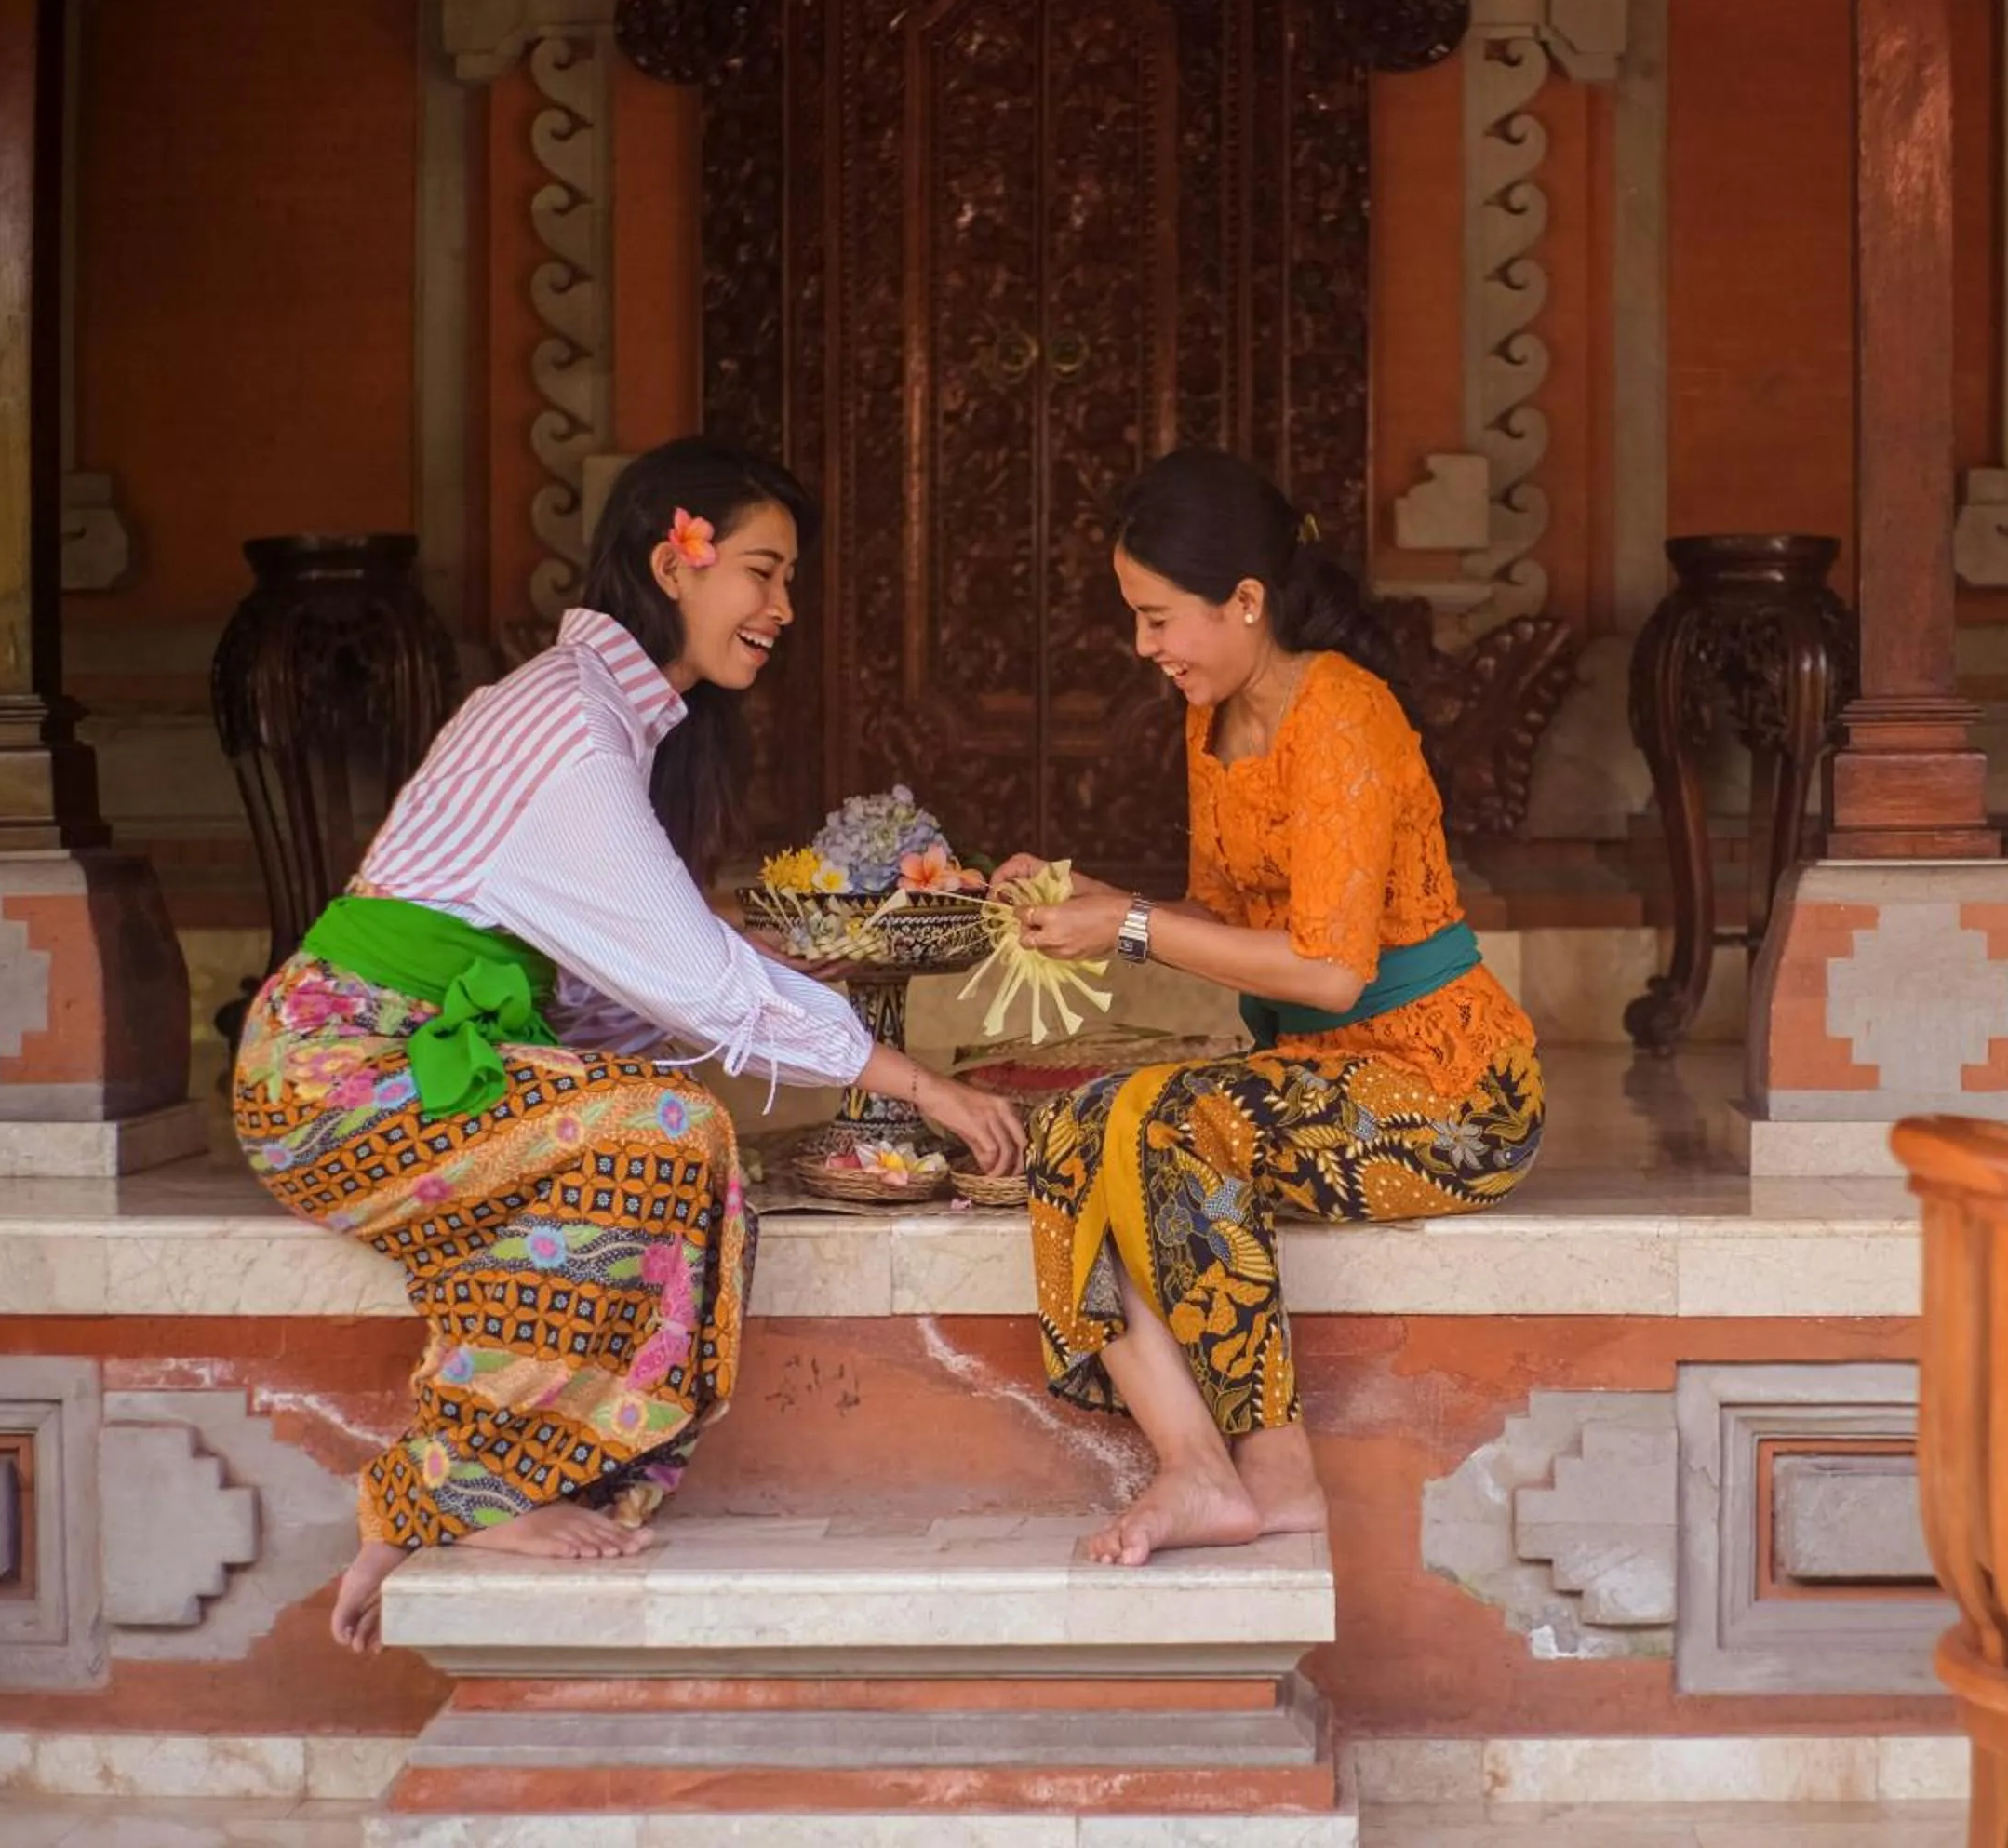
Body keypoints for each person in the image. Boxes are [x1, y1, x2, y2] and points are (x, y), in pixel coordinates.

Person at [232, 436, 1025, 1654]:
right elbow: (694, 989)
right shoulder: (563, 724)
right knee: (663, 1128)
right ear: (677, 559)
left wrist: (781, 982)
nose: (782, 609)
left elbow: (633, 1000)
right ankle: (458, 1487)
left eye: (789, 580)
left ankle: (493, 1474)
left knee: (667, 1131)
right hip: (336, 1076)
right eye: (762, 572)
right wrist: (906, 1077)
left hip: (417, 1073)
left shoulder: (610, 719)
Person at [998, 448, 1545, 1567]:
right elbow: (1223, 914)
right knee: (1078, 1130)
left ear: (1247, 601)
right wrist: (1098, 899)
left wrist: (1132, 927)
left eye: (1158, 618)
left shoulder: (1343, 715)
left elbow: (1331, 971)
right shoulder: (1212, 720)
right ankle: (1198, 1468)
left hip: (1450, 1092)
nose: (1144, 647)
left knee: (1170, 1119)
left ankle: (1280, 1471)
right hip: (1322, 1079)